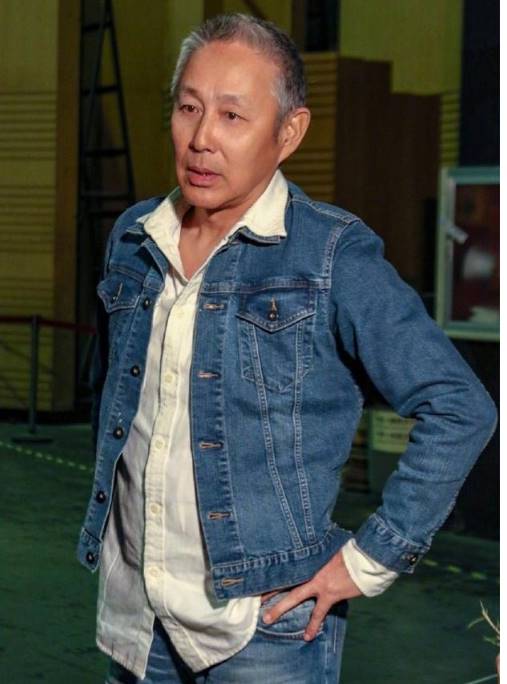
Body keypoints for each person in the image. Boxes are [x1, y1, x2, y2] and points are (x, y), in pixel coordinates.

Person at [77, 13, 497, 683]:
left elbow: (459, 405)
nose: (201, 139)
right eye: (188, 108)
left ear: (288, 132)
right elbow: (119, 406)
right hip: (137, 620)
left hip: (263, 628)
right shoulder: (134, 238)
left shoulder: (330, 255)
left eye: (232, 116)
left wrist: (369, 560)